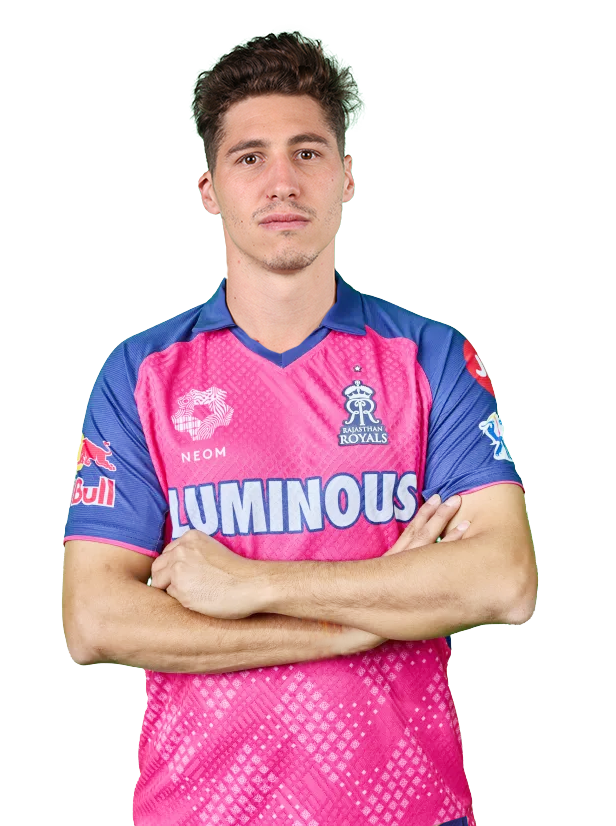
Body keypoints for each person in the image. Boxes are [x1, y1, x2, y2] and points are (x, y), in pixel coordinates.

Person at [62, 26, 537, 826]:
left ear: (347, 175)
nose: (281, 181)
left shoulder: (430, 359)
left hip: (410, 812)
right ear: (206, 185)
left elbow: (505, 580)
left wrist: (254, 587)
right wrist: (354, 626)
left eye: (307, 152)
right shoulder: (141, 374)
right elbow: (94, 620)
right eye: (250, 157)